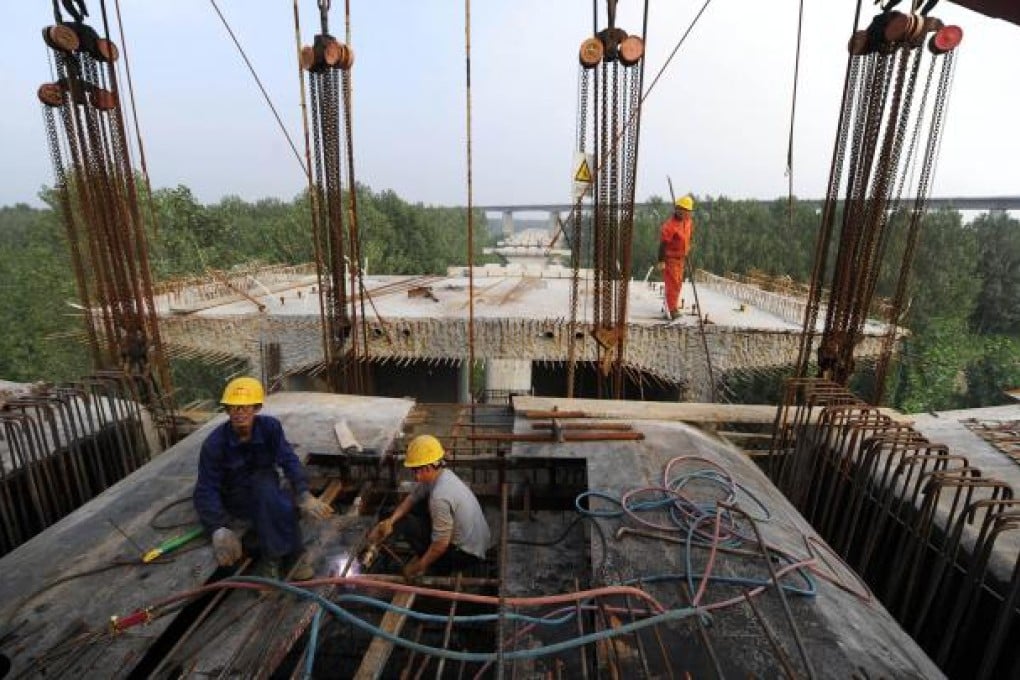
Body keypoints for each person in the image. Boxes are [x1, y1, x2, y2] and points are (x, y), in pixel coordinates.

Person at [193, 377, 334, 579]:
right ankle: (291, 556)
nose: (239, 412)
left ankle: (272, 558)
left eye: (245, 407)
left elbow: (288, 459)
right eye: (233, 407)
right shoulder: (214, 444)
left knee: (277, 499)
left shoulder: (270, 428)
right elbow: (206, 489)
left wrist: (304, 493)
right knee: (277, 502)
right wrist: (217, 528)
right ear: (227, 411)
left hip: (265, 484)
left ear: (256, 408)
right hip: (236, 496)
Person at [368, 434, 490, 581]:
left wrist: (418, 566)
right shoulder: (443, 475)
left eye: (416, 470)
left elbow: (440, 544)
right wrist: (391, 520)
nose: (415, 476)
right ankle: (424, 552)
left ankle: (438, 567)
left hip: (466, 554)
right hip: (476, 542)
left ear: (427, 467)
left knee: (406, 524)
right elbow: (412, 498)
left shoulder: (439, 496)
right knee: (414, 507)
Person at [657, 195, 695, 321]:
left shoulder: (688, 221)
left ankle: (671, 305)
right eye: (686, 211)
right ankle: (672, 310)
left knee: (678, 284)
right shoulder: (669, 226)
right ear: (679, 210)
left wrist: (687, 249)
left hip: (681, 258)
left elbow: (689, 235)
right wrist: (661, 261)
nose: (688, 213)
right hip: (671, 259)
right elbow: (663, 244)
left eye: (689, 211)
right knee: (673, 284)